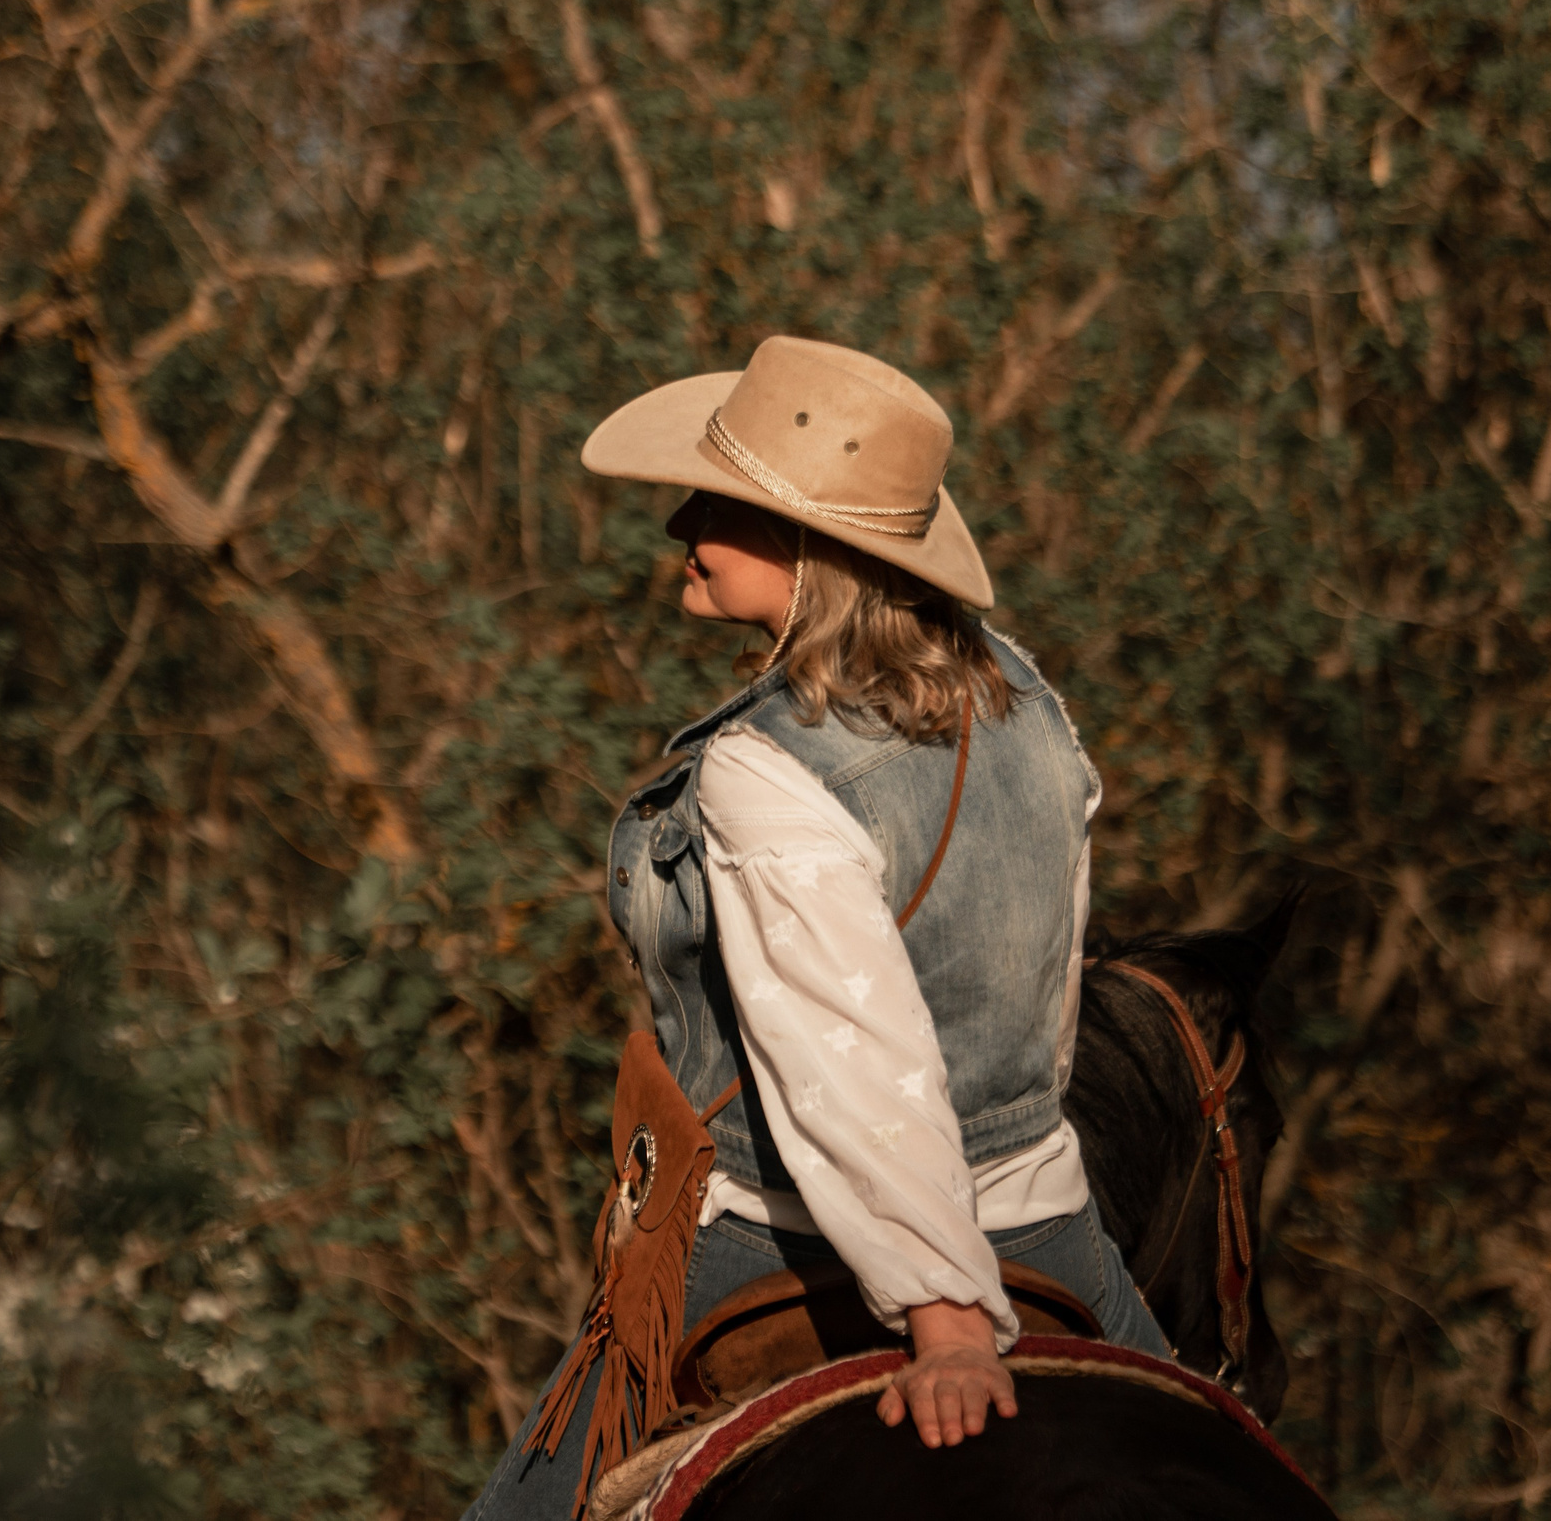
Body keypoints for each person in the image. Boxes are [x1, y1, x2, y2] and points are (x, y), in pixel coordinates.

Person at [463, 337, 1171, 1521]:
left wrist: (945, 1318)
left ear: (807, 546)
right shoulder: (1029, 699)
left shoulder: (764, 769)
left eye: (718, 503)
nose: (677, 521)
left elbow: (849, 1057)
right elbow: (1045, 998)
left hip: (788, 1231)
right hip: (1048, 1222)